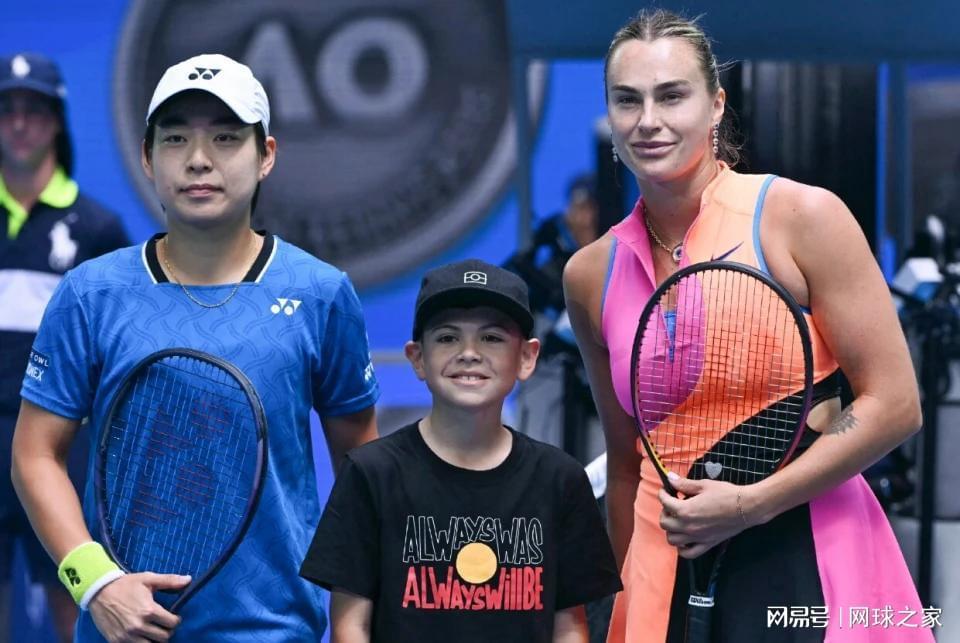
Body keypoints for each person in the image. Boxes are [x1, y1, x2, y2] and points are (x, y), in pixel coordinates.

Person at [562, 9, 931, 642]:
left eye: (671, 95)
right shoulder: (590, 274)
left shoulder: (803, 217)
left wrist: (752, 505)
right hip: (660, 568)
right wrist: (622, 603)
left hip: (806, 551)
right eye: (627, 100)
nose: (647, 120)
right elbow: (625, 464)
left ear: (715, 105)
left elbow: (895, 404)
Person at [11, 53, 379, 642]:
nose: (199, 159)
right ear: (147, 157)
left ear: (266, 155)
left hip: (276, 631)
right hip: (122, 632)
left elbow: (363, 478)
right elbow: (35, 456)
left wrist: (353, 625)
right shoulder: (90, 293)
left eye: (226, 138)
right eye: (176, 138)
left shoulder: (321, 294)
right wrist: (96, 583)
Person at [300, 259, 622, 643]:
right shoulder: (370, 473)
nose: (469, 352)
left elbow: (570, 627)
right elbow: (351, 626)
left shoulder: (561, 479)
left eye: (492, 338)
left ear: (527, 357)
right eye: (447, 337)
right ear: (417, 357)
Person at [0, 52, 129, 642]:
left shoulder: (98, 228)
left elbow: (116, 349)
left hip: (60, 446)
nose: (19, 124)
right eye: (7, 110)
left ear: (56, 122)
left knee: (75, 602)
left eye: (33, 110)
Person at [505, 174, 600, 453]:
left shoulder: (619, 263)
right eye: (578, 208)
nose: (584, 219)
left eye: (591, 208)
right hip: (548, 389)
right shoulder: (544, 269)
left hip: (599, 399)